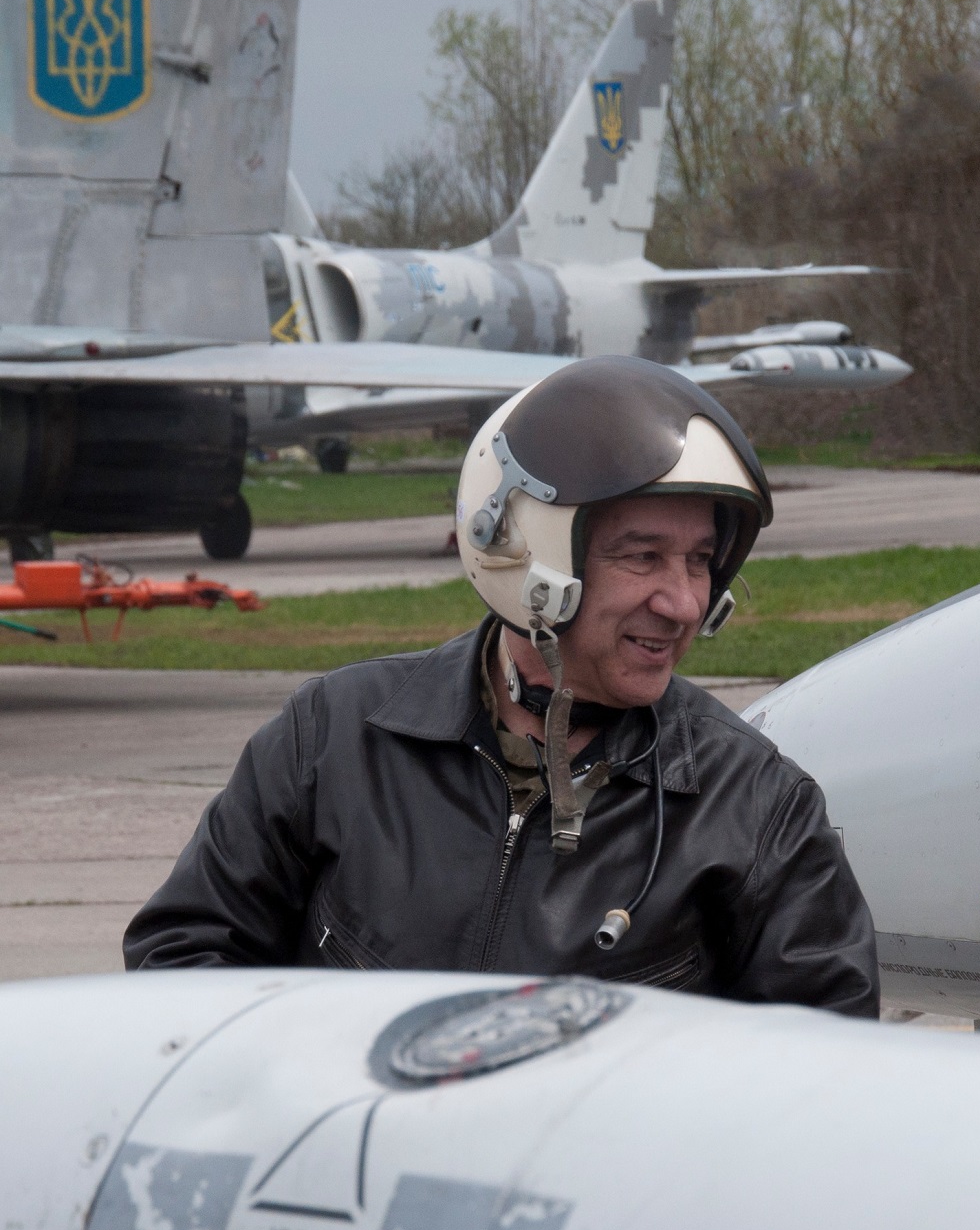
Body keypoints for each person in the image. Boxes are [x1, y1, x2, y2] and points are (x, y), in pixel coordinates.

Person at [124, 356, 879, 1016]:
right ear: (525, 556)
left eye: (699, 560)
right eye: (643, 557)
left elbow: (826, 1073)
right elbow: (182, 963)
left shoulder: (753, 809)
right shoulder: (334, 740)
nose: (683, 603)